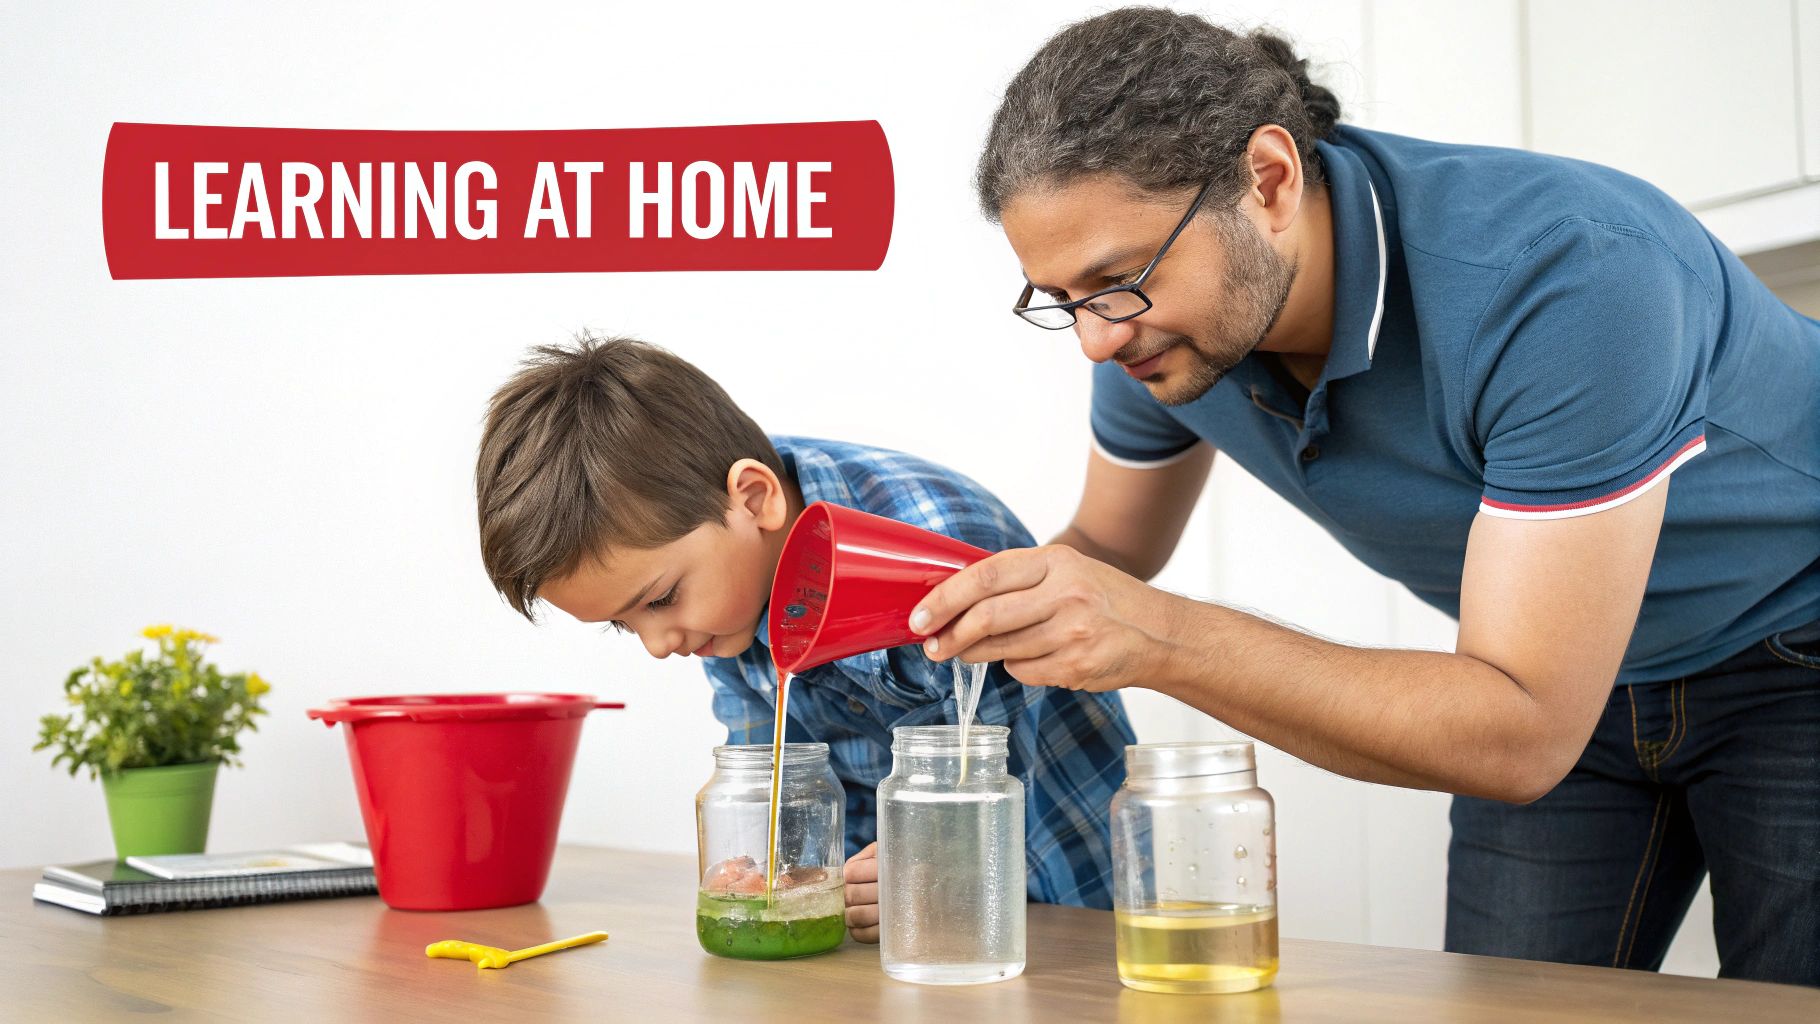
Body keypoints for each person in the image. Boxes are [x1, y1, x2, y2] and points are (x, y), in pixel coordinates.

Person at [913, 8, 1820, 984]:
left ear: (1265, 181)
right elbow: (1105, 547)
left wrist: (1155, 636)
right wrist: (950, 659)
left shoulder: (1563, 275)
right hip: (1547, 685)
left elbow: (1515, 732)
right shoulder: (1159, 337)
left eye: (1115, 280)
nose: (1094, 339)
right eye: (1061, 301)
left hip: (1791, 643)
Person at [473, 334, 1135, 940]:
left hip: (1072, 912)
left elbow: (1002, 794)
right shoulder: (724, 595)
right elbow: (776, 791)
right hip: (905, 929)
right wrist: (778, 868)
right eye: (624, 623)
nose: (656, 643)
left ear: (755, 499)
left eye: (659, 601)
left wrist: (943, 868)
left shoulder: (942, 556)